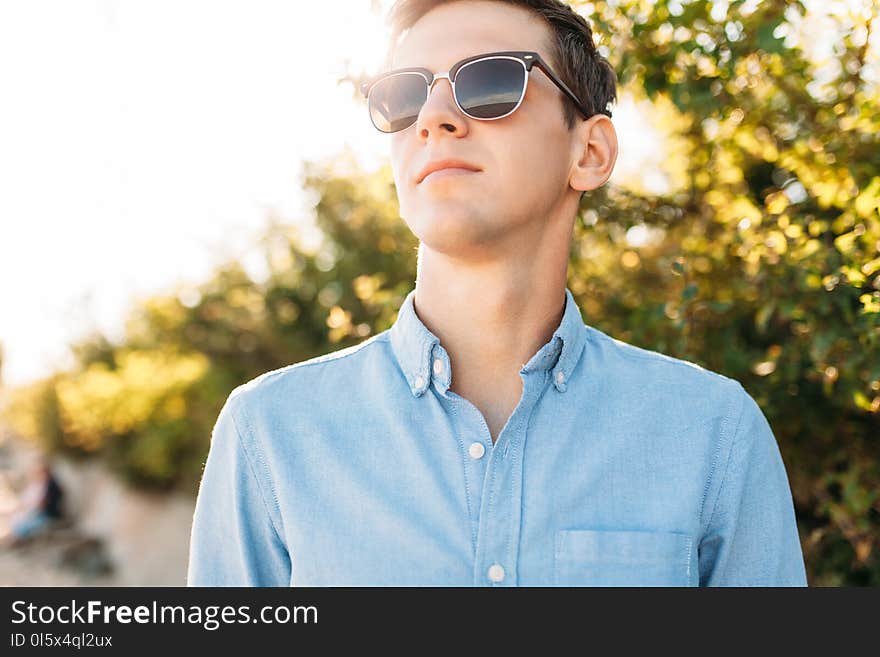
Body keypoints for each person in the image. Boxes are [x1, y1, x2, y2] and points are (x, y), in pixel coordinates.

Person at [187, 0, 808, 586]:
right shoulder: (269, 433)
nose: (432, 118)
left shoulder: (713, 435)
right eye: (405, 97)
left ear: (590, 152)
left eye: (489, 83)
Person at [3, 457, 64, 547]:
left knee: (26, 524)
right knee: (21, 521)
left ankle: (18, 542)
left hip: (49, 515)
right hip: (44, 513)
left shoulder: (51, 485)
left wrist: (33, 507)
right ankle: (16, 541)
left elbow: (44, 503)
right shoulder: (45, 484)